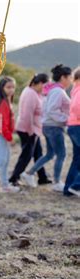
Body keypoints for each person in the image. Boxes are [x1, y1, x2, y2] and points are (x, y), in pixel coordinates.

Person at [21, 64, 72, 191]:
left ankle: (29, 173)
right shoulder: (58, 91)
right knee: (61, 154)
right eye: (70, 77)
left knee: (50, 154)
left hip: (49, 126)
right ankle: (56, 182)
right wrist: (67, 119)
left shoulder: (52, 90)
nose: (71, 80)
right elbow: (51, 110)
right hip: (54, 127)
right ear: (63, 77)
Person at [9, 74, 51, 186]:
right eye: (45, 85)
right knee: (26, 155)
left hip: (33, 129)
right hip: (28, 130)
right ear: (40, 83)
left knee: (38, 153)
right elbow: (27, 115)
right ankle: (14, 178)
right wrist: (31, 131)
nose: (45, 88)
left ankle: (42, 177)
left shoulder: (35, 92)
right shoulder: (30, 94)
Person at [0, 76, 20, 193]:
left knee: (6, 160)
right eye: (8, 87)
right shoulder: (2, 103)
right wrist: (10, 138)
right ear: (2, 88)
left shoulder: (6, 100)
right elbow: (2, 125)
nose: (11, 90)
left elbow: (6, 121)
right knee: (1, 160)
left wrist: (13, 130)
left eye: (13, 87)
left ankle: (5, 186)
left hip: (0, 134)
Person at [63, 66, 80, 197]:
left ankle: (68, 188)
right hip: (77, 126)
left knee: (77, 159)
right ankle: (76, 186)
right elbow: (76, 107)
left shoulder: (75, 89)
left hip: (73, 126)